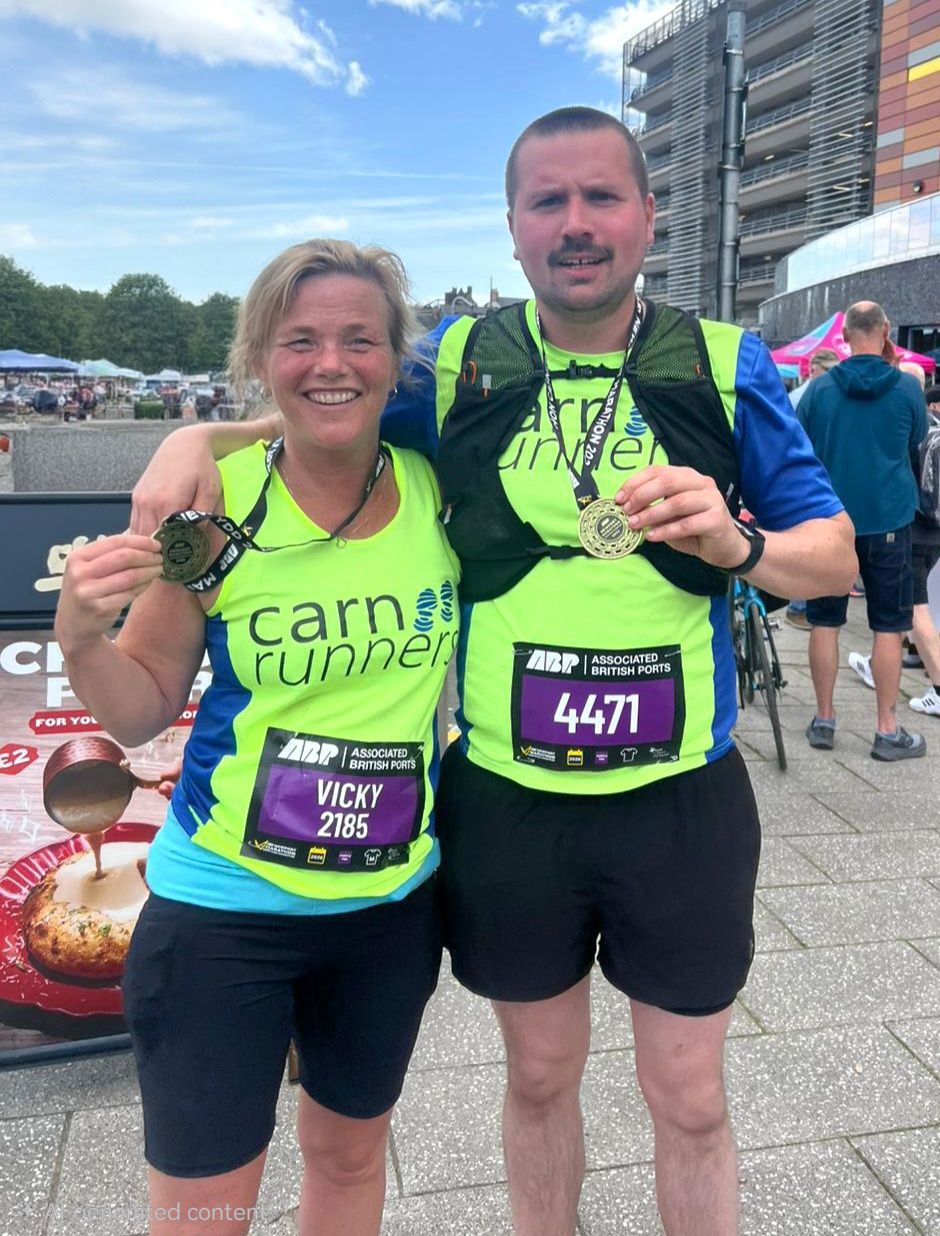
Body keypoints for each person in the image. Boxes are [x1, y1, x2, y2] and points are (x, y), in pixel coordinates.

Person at [132, 108, 856, 1236]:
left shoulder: (725, 363)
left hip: (679, 804)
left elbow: (836, 559)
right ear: (513, 229)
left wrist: (739, 545)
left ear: (646, 218)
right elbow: (330, 403)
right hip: (512, 805)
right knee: (536, 1079)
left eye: (600, 198)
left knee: (690, 1096)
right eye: (547, 202)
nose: (575, 224)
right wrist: (197, 441)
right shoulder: (456, 365)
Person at [55, 239, 459, 1236]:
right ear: (262, 360)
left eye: (361, 339)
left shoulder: (436, 488)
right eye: (301, 340)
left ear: (394, 359)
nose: (333, 363)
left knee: (351, 1161)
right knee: (207, 1212)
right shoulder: (220, 505)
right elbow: (142, 703)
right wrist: (78, 636)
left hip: (388, 908)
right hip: (226, 913)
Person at [798, 300, 928, 759]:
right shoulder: (908, 388)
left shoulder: (819, 389)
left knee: (824, 620)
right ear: (887, 330)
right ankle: (886, 729)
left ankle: (824, 718)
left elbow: (802, 446)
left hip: (832, 522)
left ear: (846, 336)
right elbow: (914, 440)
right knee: (888, 626)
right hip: (890, 518)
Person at [851, 381, 940, 716]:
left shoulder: (903, 431)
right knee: (911, 605)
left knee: (914, 608)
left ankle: (938, 688)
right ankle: (879, 663)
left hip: (911, 530)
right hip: (935, 531)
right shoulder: (933, 430)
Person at [785, 348, 841, 629]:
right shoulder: (811, 395)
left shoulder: (806, 395)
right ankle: (797, 605)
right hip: (810, 481)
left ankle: (799, 605)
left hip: (808, 481)